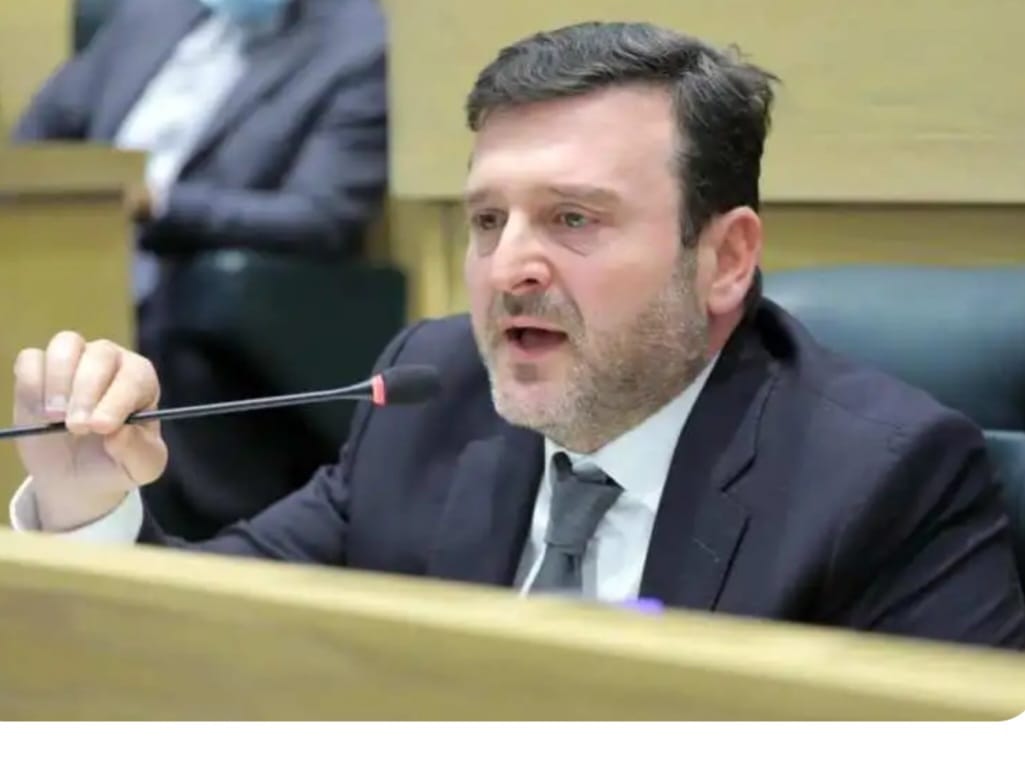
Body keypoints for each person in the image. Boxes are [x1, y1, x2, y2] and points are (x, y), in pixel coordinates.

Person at [9, 21, 1025, 649]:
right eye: (489, 220)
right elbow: (219, 629)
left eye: (573, 219)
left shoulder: (884, 478)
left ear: (724, 259)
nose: (507, 269)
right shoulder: (432, 387)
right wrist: (87, 505)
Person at [11, 0, 389, 538]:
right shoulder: (149, 16)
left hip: (193, 283)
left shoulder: (356, 44)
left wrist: (163, 205)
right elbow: (33, 143)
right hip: (67, 258)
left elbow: (322, 215)